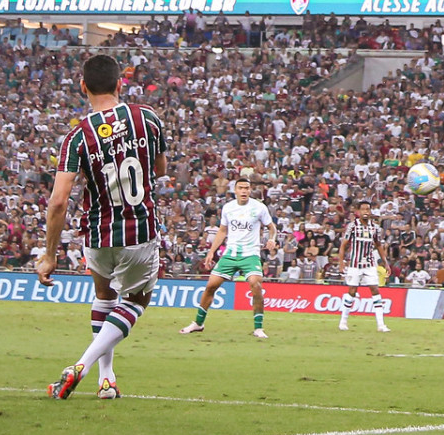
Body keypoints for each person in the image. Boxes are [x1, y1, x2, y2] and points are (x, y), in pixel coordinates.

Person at [39, 52, 169, 400]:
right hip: (139, 231)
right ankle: (81, 365)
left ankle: (107, 379)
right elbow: (159, 170)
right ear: (120, 83)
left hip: (97, 234)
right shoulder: (148, 119)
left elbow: (58, 201)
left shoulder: (77, 138)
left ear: (83, 87)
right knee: (136, 301)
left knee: (104, 296)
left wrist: (48, 255)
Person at [180, 175, 276, 338]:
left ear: (250, 190)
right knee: (211, 286)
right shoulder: (228, 208)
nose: (244, 191)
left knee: (256, 285)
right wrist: (211, 251)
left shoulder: (259, 207)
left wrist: (272, 239)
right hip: (230, 254)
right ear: (235, 190)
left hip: (250, 254)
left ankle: (258, 328)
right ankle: (198, 323)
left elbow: (271, 227)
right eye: (241, 188)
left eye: (247, 188)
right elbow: (223, 231)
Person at [336, 199, 390, 332]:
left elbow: (378, 245)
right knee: (352, 291)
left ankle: (381, 324)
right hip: (354, 264)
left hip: (370, 264)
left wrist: (385, 262)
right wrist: (341, 263)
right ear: (358, 212)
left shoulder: (375, 228)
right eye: (364, 209)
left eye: (368, 209)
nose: (366, 212)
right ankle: (343, 321)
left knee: (375, 290)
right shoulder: (352, 226)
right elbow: (343, 245)